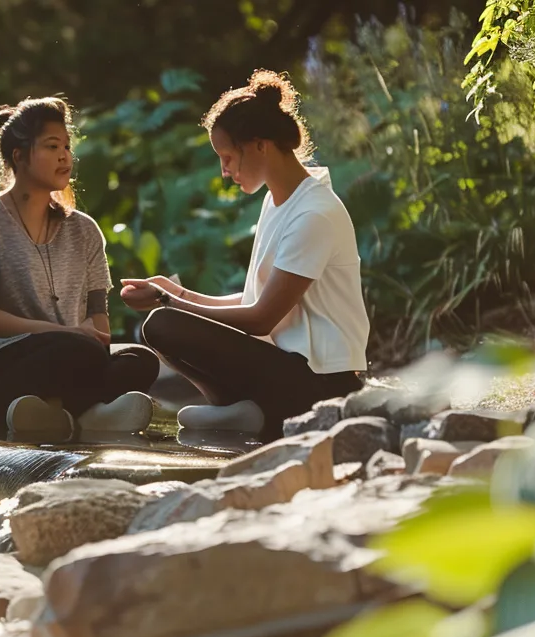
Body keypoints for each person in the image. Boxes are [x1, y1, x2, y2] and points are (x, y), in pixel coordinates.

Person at [121, 70, 369, 440]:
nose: (224, 171)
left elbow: (260, 319)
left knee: (163, 322)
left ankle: (255, 412)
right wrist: (178, 295)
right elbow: (255, 299)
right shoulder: (277, 199)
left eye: (227, 157)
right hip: (284, 369)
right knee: (162, 326)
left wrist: (169, 302)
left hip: (320, 385)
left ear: (259, 145)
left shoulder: (314, 213)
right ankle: (243, 411)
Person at [0, 96, 159, 443]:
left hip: (66, 357)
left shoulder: (84, 230)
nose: (65, 156)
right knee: (75, 349)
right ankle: (86, 414)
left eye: (67, 146)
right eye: (52, 146)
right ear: (19, 156)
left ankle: (56, 415)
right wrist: (63, 333)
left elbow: (98, 318)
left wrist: (88, 335)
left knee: (140, 359)